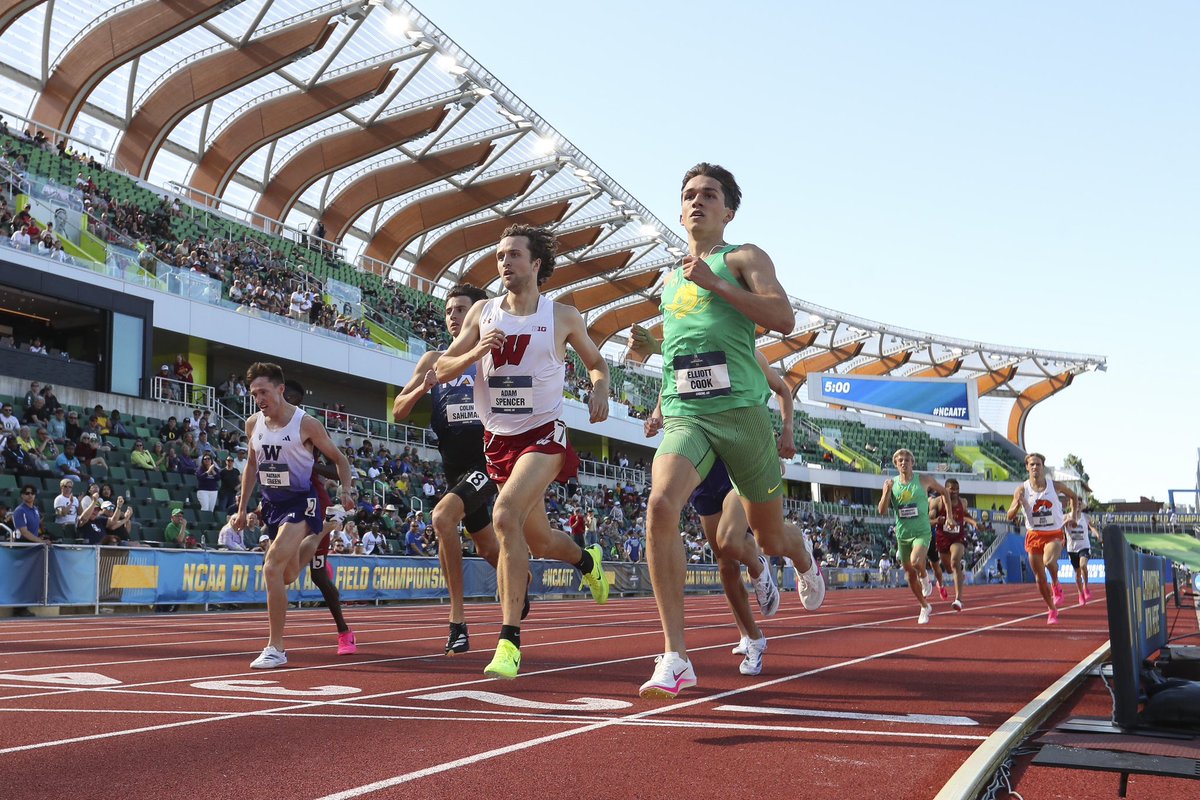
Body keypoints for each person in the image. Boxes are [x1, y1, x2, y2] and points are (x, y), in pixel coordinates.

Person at [636, 164, 824, 699]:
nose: (697, 201)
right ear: (680, 211)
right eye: (689, 195)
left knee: (767, 537)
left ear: (728, 211)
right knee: (660, 505)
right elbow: (683, 356)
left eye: (709, 195)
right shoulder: (670, 282)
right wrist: (656, 392)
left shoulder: (744, 258)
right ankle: (676, 656)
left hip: (743, 415)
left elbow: (784, 317)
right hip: (687, 414)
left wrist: (715, 282)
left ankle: (801, 556)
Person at [434, 225, 611, 679]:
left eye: (513, 255)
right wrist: (475, 350)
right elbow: (442, 367)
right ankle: (587, 561)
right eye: (498, 256)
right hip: (498, 440)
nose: (504, 263)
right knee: (542, 540)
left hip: (544, 434)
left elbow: (596, 363)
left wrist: (599, 390)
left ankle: (509, 641)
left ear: (535, 264)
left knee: (504, 515)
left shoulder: (563, 316)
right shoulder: (482, 312)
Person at [394, 282, 588, 654]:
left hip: (490, 461)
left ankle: (457, 623)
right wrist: (425, 386)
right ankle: (527, 577)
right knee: (502, 547)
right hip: (456, 471)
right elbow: (399, 410)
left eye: (462, 310)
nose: (455, 316)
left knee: (441, 518)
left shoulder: (496, 351)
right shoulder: (437, 359)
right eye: (450, 310)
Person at [632, 324, 796, 677]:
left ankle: (759, 565)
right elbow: (671, 386)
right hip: (701, 459)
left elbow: (783, 389)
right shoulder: (683, 352)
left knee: (731, 540)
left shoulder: (749, 354)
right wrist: (658, 416)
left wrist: (786, 432)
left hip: (739, 458)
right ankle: (753, 638)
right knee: (723, 562)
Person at [231, 362, 354, 668]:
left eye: (264, 391)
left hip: (301, 502)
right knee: (285, 575)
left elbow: (339, 459)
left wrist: (346, 490)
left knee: (271, 567)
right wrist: (242, 509)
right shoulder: (252, 424)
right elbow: (251, 465)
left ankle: (276, 648)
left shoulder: (306, 424)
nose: (259, 398)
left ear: (280, 389)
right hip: (273, 505)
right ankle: (325, 529)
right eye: (254, 393)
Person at [281, 378, 355, 655]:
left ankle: (344, 632)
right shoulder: (266, 427)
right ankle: (275, 640)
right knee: (278, 568)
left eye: (293, 400)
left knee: (317, 576)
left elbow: (337, 466)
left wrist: (316, 468)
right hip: (284, 501)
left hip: (314, 503)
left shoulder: (306, 429)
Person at [878, 448, 955, 625]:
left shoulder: (924, 480)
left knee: (915, 561)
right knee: (909, 576)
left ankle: (925, 577)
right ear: (896, 465)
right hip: (903, 535)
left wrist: (949, 516)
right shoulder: (891, 483)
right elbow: (881, 511)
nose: (903, 462)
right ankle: (924, 606)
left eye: (906, 460)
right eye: (900, 461)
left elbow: (944, 492)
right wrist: (886, 492)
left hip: (922, 531)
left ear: (912, 462)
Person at [1008, 453, 1081, 624]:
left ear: (1043, 467)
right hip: (1034, 535)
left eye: (1038, 464)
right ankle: (1051, 609)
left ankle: (1056, 584)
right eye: (1032, 464)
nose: (1035, 467)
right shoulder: (1021, 490)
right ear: (1027, 467)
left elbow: (1074, 496)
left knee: (1049, 561)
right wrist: (1017, 504)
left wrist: (1073, 516)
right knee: (1040, 579)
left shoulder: (1055, 486)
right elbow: (1009, 516)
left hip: (1053, 534)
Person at [928, 478, 980, 612]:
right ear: (945, 489)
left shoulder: (963, 502)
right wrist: (937, 520)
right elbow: (928, 521)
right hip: (942, 539)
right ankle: (957, 571)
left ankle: (958, 600)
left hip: (958, 537)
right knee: (950, 569)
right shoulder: (937, 502)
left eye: (957, 489)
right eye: (952, 489)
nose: (955, 491)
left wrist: (974, 522)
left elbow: (966, 515)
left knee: (955, 562)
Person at [1063, 506, 1098, 605]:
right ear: (1070, 504)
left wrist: (1098, 535)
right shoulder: (1066, 516)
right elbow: (1058, 526)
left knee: (1083, 565)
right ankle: (1080, 593)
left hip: (1084, 547)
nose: (1077, 505)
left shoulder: (1086, 517)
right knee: (1077, 573)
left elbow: (1092, 527)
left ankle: (1085, 587)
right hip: (1072, 549)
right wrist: (1066, 522)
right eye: (1074, 503)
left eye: (1079, 503)